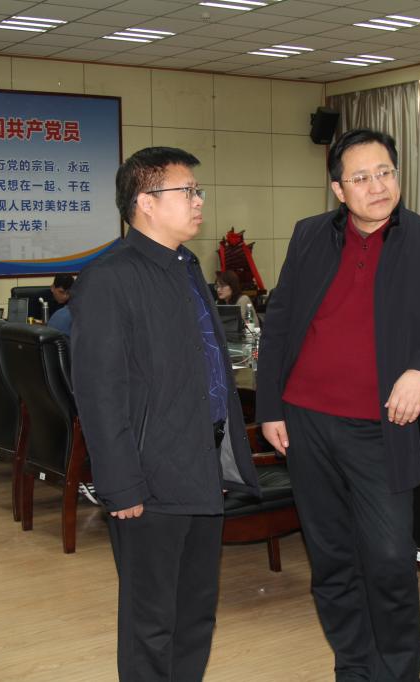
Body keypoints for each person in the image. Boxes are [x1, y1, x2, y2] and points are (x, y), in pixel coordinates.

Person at [256, 128, 420, 681]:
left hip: (379, 428)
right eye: (361, 178)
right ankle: (353, 669)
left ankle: (396, 675)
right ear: (338, 189)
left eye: (386, 173)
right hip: (305, 420)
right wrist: (270, 406)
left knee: (389, 560)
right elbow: (279, 321)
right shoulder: (309, 235)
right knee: (331, 560)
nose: (378, 186)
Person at [69, 146, 260, 681]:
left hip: (200, 465)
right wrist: (120, 486)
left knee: (195, 614)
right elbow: (99, 392)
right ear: (146, 202)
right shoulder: (109, 277)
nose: (199, 201)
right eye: (187, 191)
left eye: (198, 191)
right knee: (151, 623)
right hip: (149, 478)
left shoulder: (186, 265)